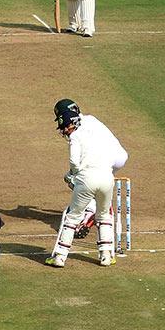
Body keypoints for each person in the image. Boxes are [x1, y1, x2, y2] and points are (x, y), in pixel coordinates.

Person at [45, 101, 128, 268]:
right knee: (105, 215)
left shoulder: (76, 136)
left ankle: (60, 257)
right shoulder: (92, 123)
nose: (64, 131)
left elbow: (74, 163)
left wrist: (71, 176)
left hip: (88, 178)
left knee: (72, 216)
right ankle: (106, 256)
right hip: (108, 173)